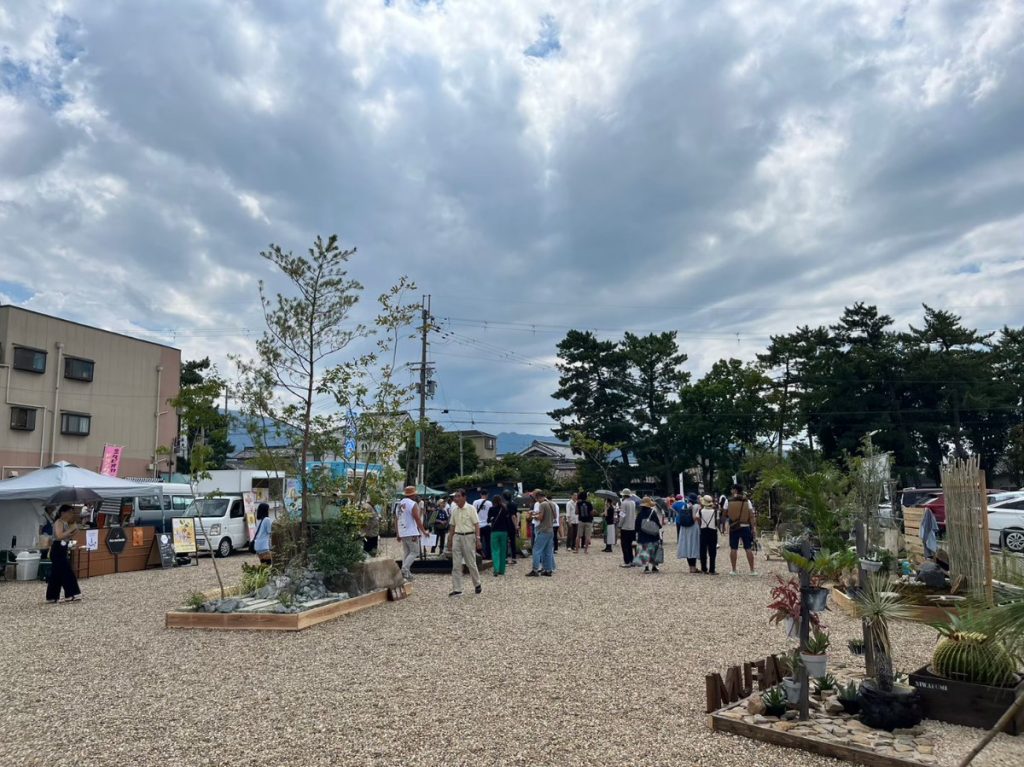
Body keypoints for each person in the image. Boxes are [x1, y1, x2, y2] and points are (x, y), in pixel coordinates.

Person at [445, 489, 482, 596]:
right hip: (457, 537)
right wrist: (450, 540)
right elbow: (452, 526)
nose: (455, 498)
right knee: (456, 564)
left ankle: (477, 584)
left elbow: (476, 524)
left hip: (469, 536)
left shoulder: (471, 508)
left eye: (458, 496)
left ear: (464, 497)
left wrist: (478, 538)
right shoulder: (454, 510)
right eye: (455, 496)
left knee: (471, 562)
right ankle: (457, 589)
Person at [46, 505, 82, 603]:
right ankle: (71, 593)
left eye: (72, 512)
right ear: (62, 513)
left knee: (58, 573)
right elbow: (59, 536)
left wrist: (74, 531)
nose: (71, 514)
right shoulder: (59, 522)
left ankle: (53, 596)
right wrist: (71, 529)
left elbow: (66, 536)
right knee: (66, 571)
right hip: (57, 549)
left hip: (63, 548)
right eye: (69, 512)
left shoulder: (65, 523)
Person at [725, 484, 758, 576]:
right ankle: (752, 570)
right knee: (748, 548)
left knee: (733, 548)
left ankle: (733, 570)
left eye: (732, 489)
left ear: (735, 490)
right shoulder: (747, 501)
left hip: (734, 527)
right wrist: (753, 528)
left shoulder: (728, 501)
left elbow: (724, 513)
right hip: (745, 526)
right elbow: (751, 515)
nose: (731, 491)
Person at [397, 486, 428, 581]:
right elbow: (417, 519)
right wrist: (423, 531)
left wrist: (398, 532)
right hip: (411, 532)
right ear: (413, 494)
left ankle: (406, 573)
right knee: (415, 551)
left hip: (402, 531)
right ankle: (404, 569)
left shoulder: (399, 504)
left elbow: (396, 519)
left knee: (407, 552)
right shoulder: (412, 504)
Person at [526, 489, 556, 577]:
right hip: (550, 530)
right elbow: (555, 516)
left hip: (543, 530)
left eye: (536, 499)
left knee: (536, 550)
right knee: (548, 551)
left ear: (538, 497)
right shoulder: (552, 504)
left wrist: (532, 515)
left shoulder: (542, 504)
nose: (537, 501)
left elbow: (540, 518)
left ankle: (535, 570)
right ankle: (548, 570)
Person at [633, 496, 663, 573]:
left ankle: (646, 567)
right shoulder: (653, 512)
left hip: (643, 535)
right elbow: (658, 524)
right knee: (653, 551)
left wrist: (638, 532)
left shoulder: (640, 514)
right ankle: (654, 567)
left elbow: (637, 526)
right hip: (653, 535)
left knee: (644, 551)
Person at [488, 494, 511, 577]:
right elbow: (508, 521)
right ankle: (502, 570)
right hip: (504, 531)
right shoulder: (505, 509)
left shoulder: (491, 509)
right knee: (503, 551)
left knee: (495, 550)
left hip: (494, 531)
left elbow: (488, 520)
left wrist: (492, 519)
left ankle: (496, 569)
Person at [696, 495, 719, 574]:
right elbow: (717, 521)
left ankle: (704, 568)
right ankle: (712, 569)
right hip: (713, 531)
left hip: (703, 530)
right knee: (712, 551)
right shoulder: (715, 511)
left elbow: (697, 518)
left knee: (703, 550)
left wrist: (701, 524)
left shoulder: (700, 511)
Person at [676, 495, 699, 573]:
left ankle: (690, 567)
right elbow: (695, 518)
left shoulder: (684, 506)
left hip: (684, 528)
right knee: (693, 546)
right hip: (693, 528)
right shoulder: (696, 506)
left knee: (687, 546)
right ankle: (694, 567)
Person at [617, 489, 638, 567]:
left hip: (625, 527)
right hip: (632, 526)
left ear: (623, 495)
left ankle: (627, 561)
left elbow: (622, 515)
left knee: (624, 545)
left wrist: (619, 524)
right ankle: (632, 560)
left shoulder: (624, 503)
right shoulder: (633, 503)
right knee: (630, 545)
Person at [474, 490, 492, 561]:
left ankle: (479, 556)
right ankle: (488, 556)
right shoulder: (489, 503)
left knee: (478, 541)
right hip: (487, 525)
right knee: (488, 542)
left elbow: (473, 513)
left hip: (478, 525)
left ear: (480, 494)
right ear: (487, 494)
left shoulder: (475, 502)